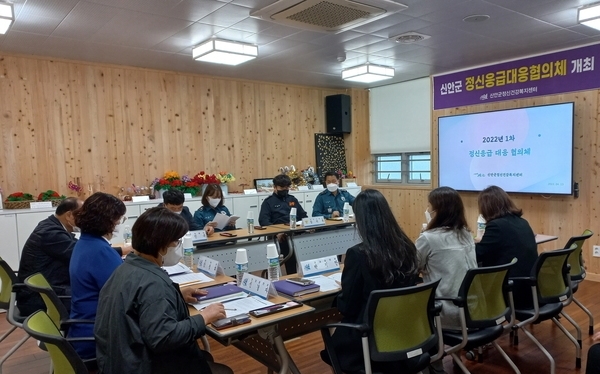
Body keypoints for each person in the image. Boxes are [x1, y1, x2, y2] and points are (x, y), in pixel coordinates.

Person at [95, 207, 233, 374]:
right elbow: (163, 338)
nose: (178, 246)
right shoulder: (153, 283)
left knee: (205, 358)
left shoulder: (126, 268)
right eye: (176, 242)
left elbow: (140, 305)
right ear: (161, 246)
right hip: (145, 364)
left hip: (121, 360)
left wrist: (176, 295)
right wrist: (204, 318)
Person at [321, 189, 419, 373]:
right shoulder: (407, 246)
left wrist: (345, 289)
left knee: (335, 336)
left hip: (368, 337)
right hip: (404, 331)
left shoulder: (358, 254)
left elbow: (347, 307)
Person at [68, 192, 126, 359]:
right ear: (107, 221)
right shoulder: (99, 251)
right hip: (98, 335)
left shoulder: (86, 243)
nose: (118, 224)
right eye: (118, 220)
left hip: (84, 327)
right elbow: (125, 294)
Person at [416, 187, 477, 330]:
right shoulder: (467, 234)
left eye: (429, 205)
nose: (427, 209)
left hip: (445, 311)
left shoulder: (428, 238)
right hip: (473, 309)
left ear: (437, 211)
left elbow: (414, 266)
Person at [16, 197, 83, 316]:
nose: (85, 219)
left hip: (43, 290)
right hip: (38, 299)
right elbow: (81, 253)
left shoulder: (51, 225)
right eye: (82, 215)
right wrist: (120, 250)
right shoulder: (50, 232)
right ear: (69, 215)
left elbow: (79, 248)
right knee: (92, 297)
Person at [475, 185, 537, 307]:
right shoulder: (522, 222)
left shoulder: (496, 226)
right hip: (530, 285)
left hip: (511, 288)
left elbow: (478, 255)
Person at [259, 174, 308, 274]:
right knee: (289, 250)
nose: (285, 189)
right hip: (280, 236)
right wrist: (276, 233)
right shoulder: (268, 202)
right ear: (275, 187)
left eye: (287, 187)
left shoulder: (292, 199)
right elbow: (264, 221)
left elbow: (303, 215)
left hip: (296, 232)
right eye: (282, 187)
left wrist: (308, 225)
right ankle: (291, 275)